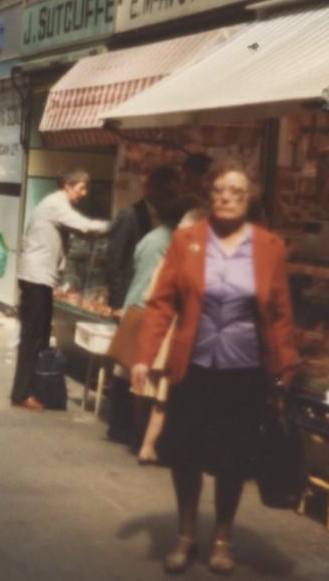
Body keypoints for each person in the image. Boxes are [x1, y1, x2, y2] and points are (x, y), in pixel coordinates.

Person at [129, 160, 297, 575]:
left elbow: (279, 316)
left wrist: (283, 375)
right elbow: (160, 303)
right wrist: (144, 358)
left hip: (245, 371)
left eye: (236, 192)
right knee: (185, 454)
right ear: (209, 196)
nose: (226, 197)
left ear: (250, 198)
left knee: (233, 460)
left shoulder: (269, 247)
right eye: (219, 190)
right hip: (194, 366)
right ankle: (186, 534)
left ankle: (223, 537)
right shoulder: (188, 239)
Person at [105, 195, 200, 464]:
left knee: (144, 388)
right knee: (161, 392)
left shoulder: (152, 238)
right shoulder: (176, 249)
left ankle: (139, 438)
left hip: (139, 310)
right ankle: (148, 444)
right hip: (164, 325)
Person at [13, 168, 109, 410]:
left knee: (39, 336)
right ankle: (22, 393)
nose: (84, 194)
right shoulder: (56, 204)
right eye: (81, 188)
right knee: (33, 337)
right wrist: (114, 225)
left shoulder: (53, 203)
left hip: (40, 276)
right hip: (37, 277)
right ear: (68, 185)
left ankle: (32, 388)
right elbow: (83, 226)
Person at [105, 166, 180, 446]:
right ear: (154, 190)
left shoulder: (160, 226)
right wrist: (116, 301)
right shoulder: (130, 216)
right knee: (127, 365)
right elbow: (115, 261)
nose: (170, 197)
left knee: (128, 366)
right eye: (168, 191)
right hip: (133, 301)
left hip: (138, 301)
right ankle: (120, 425)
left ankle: (123, 425)